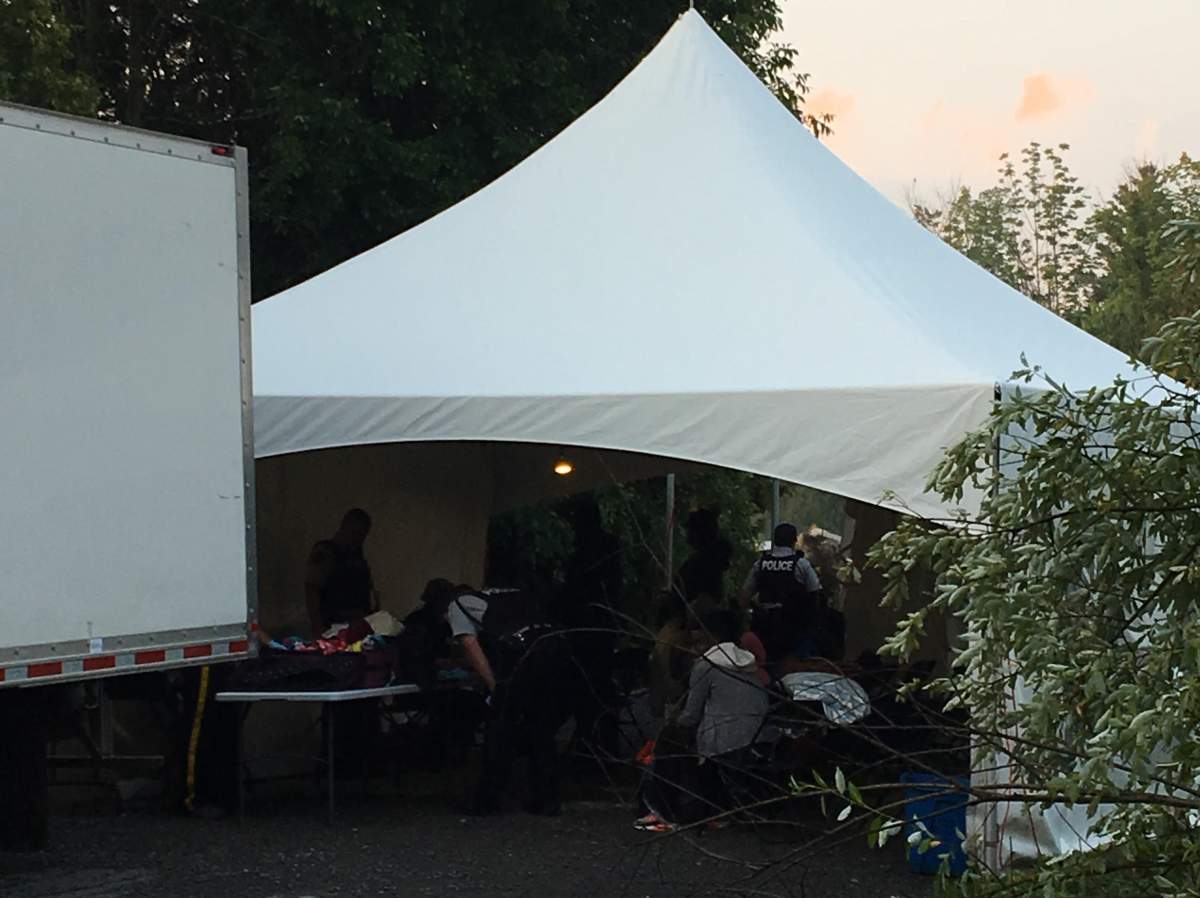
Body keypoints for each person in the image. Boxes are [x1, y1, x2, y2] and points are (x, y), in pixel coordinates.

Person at [447, 585, 575, 816]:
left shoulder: (456, 604)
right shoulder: (505, 593)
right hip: (556, 649)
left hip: (524, 658)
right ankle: (546, 798)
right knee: (541, 728)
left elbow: (470, 645)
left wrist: (494, 686)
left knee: (500, 727)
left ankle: (486, 800)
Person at [635, 611, 769, 831]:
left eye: (699, 642)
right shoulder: (747, 663)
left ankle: (663, 810)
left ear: (712, 639)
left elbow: (690, 716)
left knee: (670, 742)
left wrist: (672, 722)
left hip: (726, 743)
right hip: (759, 738)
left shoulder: (707, 665)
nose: (696, 648)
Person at [739, 522, 822, 661]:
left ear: (775, 540)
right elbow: (815, 593)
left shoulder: (761, 564)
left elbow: (744, 596)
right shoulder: (801, 564)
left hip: (763, 627)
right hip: (792, 628)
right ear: (794, 541)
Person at [304, 508, 378, 636]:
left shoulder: (357, 556)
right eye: (355, 533)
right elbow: (311, 589)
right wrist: (318, 627)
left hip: (357, 626)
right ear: (345, 528)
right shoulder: (325, 552)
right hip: (332, 626)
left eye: (362, 535)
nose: (358, 539)